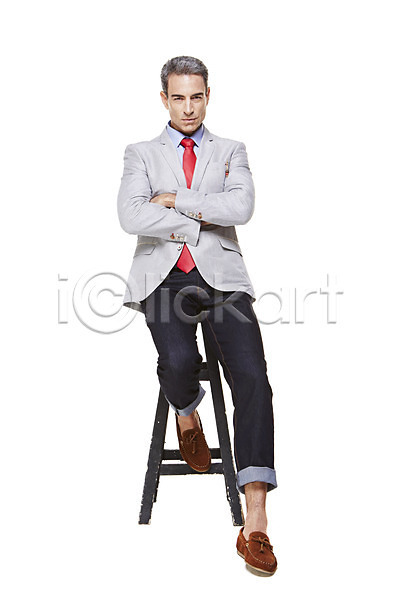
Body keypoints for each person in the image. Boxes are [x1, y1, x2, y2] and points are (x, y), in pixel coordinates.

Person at [117, 56, 278, 576]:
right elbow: (130, 215)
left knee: (252, 377)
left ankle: (255, 519)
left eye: (197, 97)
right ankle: (187, 415)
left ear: (209, 96)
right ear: (164, 98)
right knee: (180, 360)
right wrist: (201, 212)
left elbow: (242, 208)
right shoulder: (140, 153)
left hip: (223, 279)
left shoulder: (232, 150)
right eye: (178, 97)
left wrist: (175, 200)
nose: (188, 108)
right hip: (164, 278)